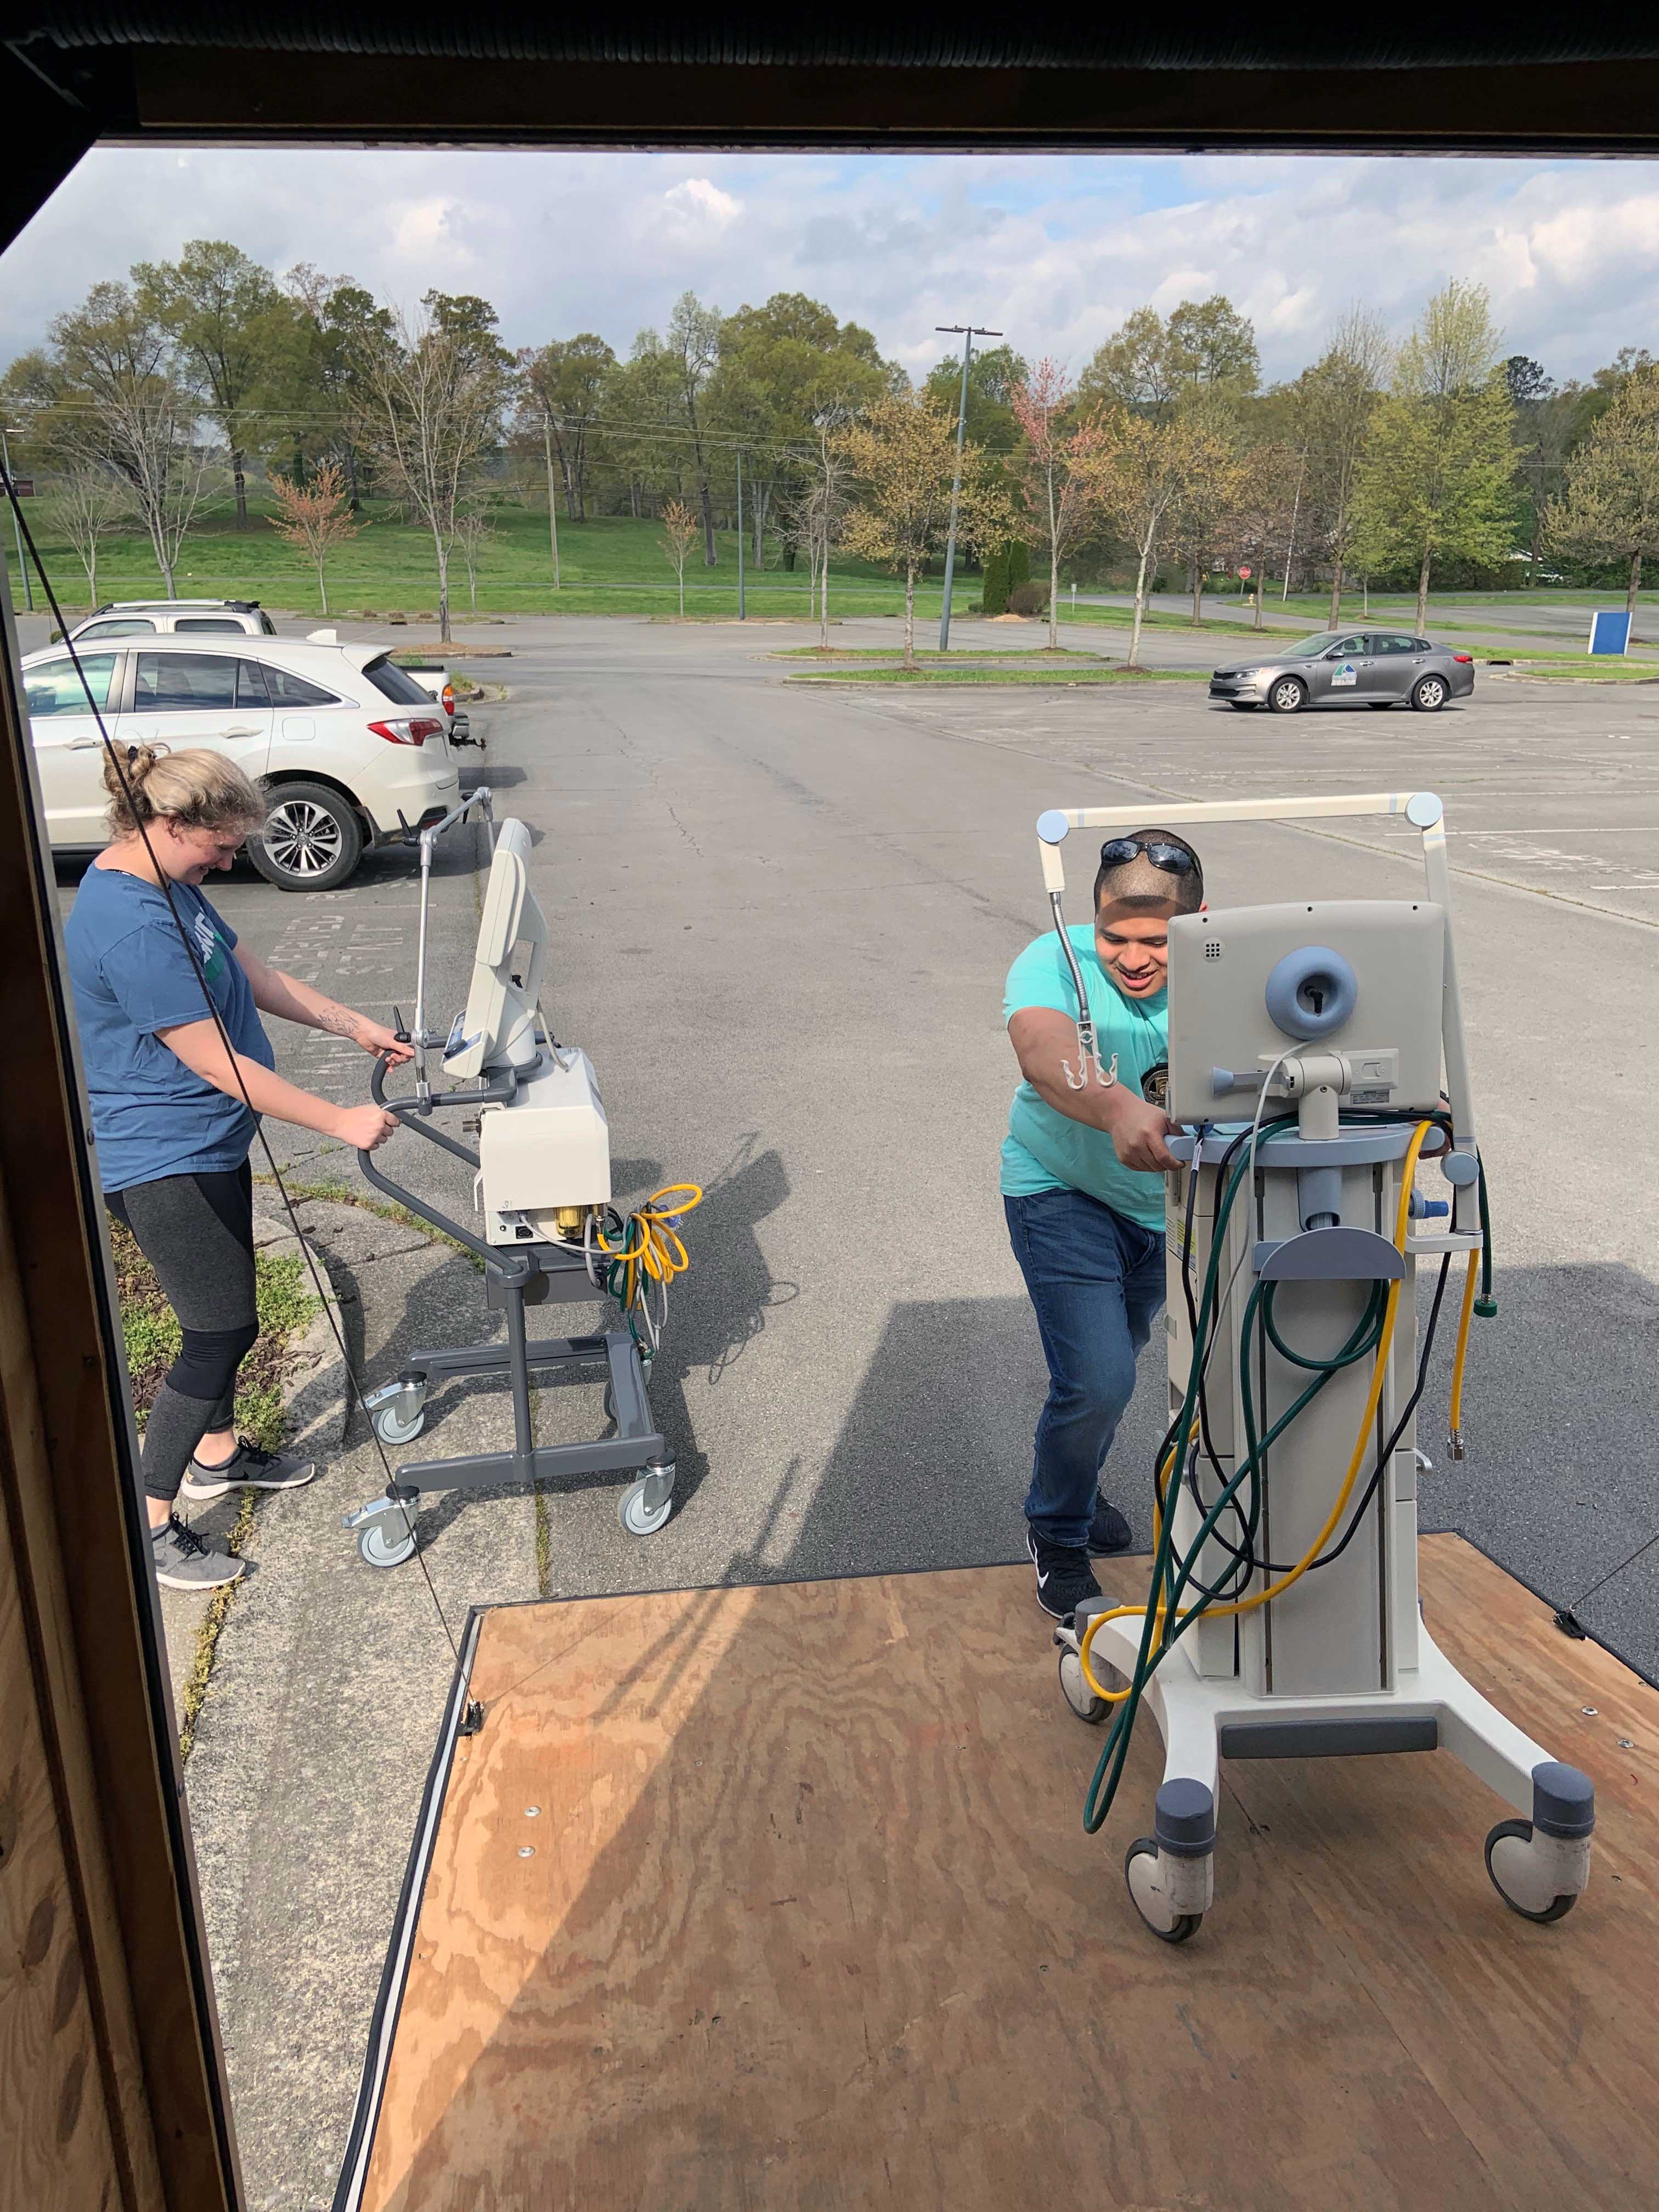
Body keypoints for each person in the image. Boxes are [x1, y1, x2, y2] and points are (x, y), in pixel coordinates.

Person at [64, 744, 410, 1591]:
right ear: (168, 823)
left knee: (229, 1311)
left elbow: (253, 974)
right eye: (219, 845)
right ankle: (147, 1523)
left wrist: (349, 1023)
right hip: (160, 1158)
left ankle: (216, 1457)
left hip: (207, 1144)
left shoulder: (172, 888)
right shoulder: (129, 925)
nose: (228, 862)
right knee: (218, 1330)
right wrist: (340, 1121)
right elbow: (217, 1062)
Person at [1001, 828, 1205, 1621]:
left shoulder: (1226, 966)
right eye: (1113, 936)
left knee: (1119, 1362)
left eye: (1155, 940)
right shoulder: (1051, 956)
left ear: (1195, 923)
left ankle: (1076, 1493)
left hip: (1172, 1212)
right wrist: (1116, 1104)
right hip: (1061, 1189)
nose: (1132, 958)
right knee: (1101, 1379)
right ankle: (1056, 1533)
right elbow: (1041, 1045)